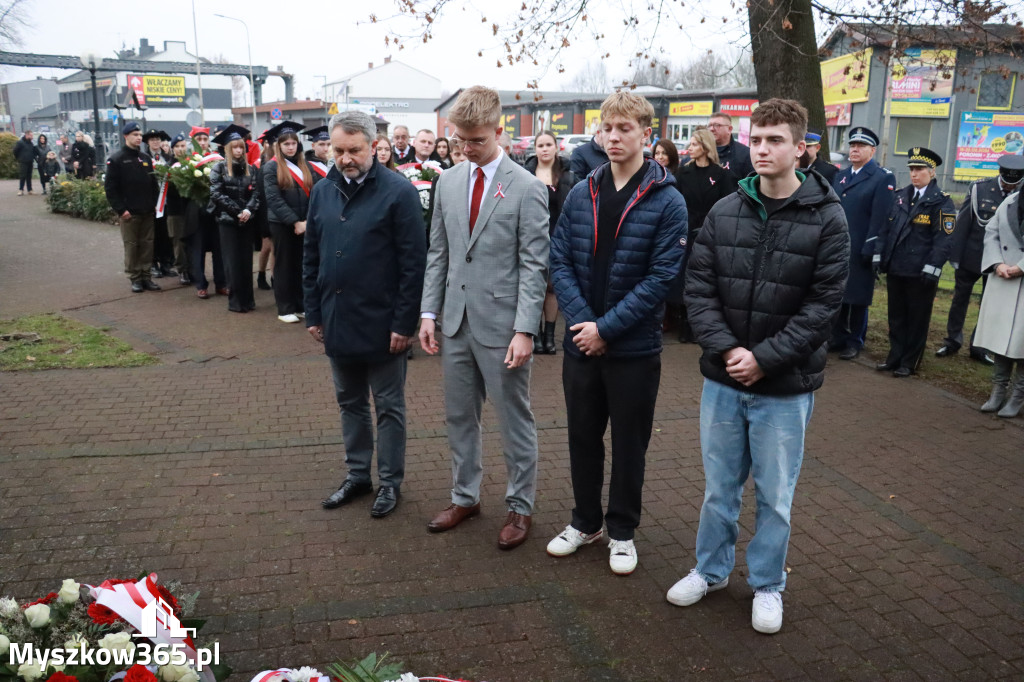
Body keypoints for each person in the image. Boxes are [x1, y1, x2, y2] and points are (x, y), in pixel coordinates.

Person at [668, 99, 849, 635]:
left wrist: (765, 359)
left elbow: (823, 306)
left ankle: (768, 583)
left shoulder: (828, 217)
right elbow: (698, 288)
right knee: (719, 489)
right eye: (757, 139)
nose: (763, 149)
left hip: (785, 386)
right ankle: (710, 570)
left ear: (801, 148)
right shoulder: (726, 209)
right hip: (725, 379)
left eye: (776, 140)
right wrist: (729, 351)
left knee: (775, 495)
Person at [546, 92, 687, 575]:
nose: (613, 137)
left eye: (624, 128)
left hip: (634, 349)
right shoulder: (581, 190)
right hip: (581, 345)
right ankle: (585, 522)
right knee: (582, 437)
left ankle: (622, 531)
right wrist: (585, 324)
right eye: (607, 128)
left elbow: (661, 277)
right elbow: (559, 259)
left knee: (629, 444)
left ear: (646, 133)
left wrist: (606, 328)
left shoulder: (668, 200)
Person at [418, 85, 550, 550]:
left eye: (477, 140)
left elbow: (534, 265)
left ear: (498, 129)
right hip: (455, 321)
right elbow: (439, 252)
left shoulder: (528, 187)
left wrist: (525, 330)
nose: (468, 149)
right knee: (459, 416)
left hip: (502, 326)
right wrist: (429, 312)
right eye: (460, 140)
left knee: (514, 419)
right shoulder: (448, 182)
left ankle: (520, 506)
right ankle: (464, 497)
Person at [306, 110, 427, 518]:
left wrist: (404, 323)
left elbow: (413, 264)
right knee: (350, 402)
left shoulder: (398, 192)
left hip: (383, 323)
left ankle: (390, 482)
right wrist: (313, 312)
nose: (345, 159)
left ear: (373, 147)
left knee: (388, 406)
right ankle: (358, 475)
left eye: (354, 150)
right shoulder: (323, 190)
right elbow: (312, 256)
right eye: (338, 151)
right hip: (337, 317)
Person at [875, 147, 956, 377]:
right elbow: (885, 229)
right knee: (896, 317)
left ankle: (909, 362)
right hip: (897, 267)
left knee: (917, 319)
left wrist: (933, 267)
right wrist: (879, 256)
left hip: (921, 272)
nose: (914, 174)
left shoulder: (941, 202)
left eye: (919, 169)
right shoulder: (900, 196)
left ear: (932, 172)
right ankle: (894, 357)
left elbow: (944, 239)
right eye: (911, 169)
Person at [938, 155, 1024, 364]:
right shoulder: (980, 188)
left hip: (1002, 263)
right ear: (1000, 174)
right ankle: (952, 341)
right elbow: (964, 221)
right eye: (1006, 181)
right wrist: (956, 255)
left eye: (1014, 183)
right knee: (960, 300)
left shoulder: (1021, 193)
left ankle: (980, 347)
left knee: (990, 305)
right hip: (972, 255)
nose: (1009, 186)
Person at [830, 127, 896, 360]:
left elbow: (881, 217)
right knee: (838, 293)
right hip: (838, 245)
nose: (854, 149)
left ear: (872, 150)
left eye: (860, 146)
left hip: (861, 245)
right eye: (852, 145)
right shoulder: (842, 175)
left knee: (858, 297)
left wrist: (872, 247)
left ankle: (855, 340)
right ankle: (838, 336)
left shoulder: (882, 177)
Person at [671, 129, 738, 341]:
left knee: (708, 280)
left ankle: (704, 326)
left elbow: (728, 205)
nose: (689, 148)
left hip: (711, 233)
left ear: (705, 147)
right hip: (686, 233)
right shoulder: (683, 173)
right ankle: (685, 324)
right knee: (686, 279)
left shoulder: (721, 175)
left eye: (694, 144)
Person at [974, 164, 1024, 417]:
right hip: (1004, 278)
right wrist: (997, 263)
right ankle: (998, 391)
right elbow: (991, 232)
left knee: (1022, 342)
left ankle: (1018, 396)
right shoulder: (1011, 201)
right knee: (1001, 338)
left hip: (1020, 276)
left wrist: (1021, 267)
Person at [263, 121, 322, 323]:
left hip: (305, 223)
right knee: (284, 265)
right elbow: (274, 199)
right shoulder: (271, 167)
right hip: (282, 224)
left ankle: (300, 304)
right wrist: (295, 222)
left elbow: (315, 194)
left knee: (301, 265)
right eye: (286, 144)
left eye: (293, 143)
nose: (290, 147)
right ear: (279, 146)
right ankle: (285, 308)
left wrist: (307, 220)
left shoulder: (306, 166)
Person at [524, 130, 576, 355]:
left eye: (548, 145)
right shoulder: (526, 174)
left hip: (558, 239)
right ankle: (534, 334)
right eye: (540, 145)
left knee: (552, 289)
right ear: (535, 149)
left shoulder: (567, 175)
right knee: (533, 287)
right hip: (531, 239)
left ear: (556, 147)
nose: (544, 149)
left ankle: (549, 336)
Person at [104, 122, 161, 293]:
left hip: (147, 210)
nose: (139, 138)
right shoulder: (117, 159)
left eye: (140, 135)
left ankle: (146, 276)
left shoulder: (145, 158)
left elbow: (153, 184)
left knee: (147, 245)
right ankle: (135, 277)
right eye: (135, 135)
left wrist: (154, 204)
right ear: (126, 136)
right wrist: (121, 210)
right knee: (131, 246)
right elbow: (110, 189)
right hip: (130, 213)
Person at [209, 124, 260, 313]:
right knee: (232, 262)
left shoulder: (251, 169)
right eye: (235, 147)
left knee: (246, 262)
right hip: (227, 222)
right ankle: (236, 302)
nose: (238, 150)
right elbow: (216, 194)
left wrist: (248, 210)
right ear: (227, 149)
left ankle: (249, 300)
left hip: (246, 220)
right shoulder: (219, 168)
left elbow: (256, 193)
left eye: (241, 147)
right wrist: (237, 211)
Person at [187, 126, 228, 300]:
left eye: (205, 139)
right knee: (198, 250)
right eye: (199, 140)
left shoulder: (217, 159)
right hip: (196, 213)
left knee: (219, 249)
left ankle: (221, 283)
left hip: (216, 211)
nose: (203, 143)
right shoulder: (187, 162)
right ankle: (201, 285)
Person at [144, 129, 177, 279]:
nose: (155, 142)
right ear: (148, 142)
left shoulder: (168, 157)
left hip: (167, 202)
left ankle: (166, 263)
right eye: (152, 140)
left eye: (157, 139)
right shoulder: (144, 158)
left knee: (166, 234)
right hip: (152, 203)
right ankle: (153, 264)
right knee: (153, 235)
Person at [163, 133, 195, 285]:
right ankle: (182, 270)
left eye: (183, 146)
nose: (181, 149)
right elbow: (167, 190)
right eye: (177, 146)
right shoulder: (168, 167)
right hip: (175, 210)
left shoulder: (191, 163)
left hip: (190, 209)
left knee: (191, 241)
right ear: (173, 148)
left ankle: (193, 269)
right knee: (179, 241)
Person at [707, 111, 753, 181]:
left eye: (717, 125)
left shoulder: (745, 154)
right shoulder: (702, 151)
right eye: (709, 126)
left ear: (729, 129)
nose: (712, 129)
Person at [13, 129, 35, 195]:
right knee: (22, 176)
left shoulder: (31, 143)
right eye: (31, 135)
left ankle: (29, 189)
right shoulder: (20, 142)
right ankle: (21, 189)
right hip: (23, 162)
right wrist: (19, 158)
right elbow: (15, 151)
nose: (32, 137)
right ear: (27, 135)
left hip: (30, 162)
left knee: (29, 176)